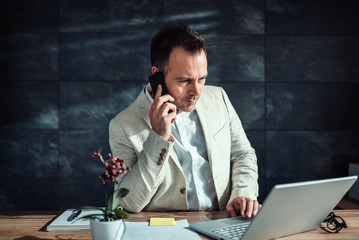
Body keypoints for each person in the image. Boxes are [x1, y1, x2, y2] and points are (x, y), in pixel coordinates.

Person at [109, 24, 261, 218]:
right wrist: (158, 138)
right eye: (184, 81)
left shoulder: (219, 97)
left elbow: (243, 154)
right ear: (157, 75)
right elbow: (128, 202)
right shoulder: (122, 125)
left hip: (223, 220)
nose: (197, 91)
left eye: (202, 78)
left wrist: (243, 193)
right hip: (165, 230)